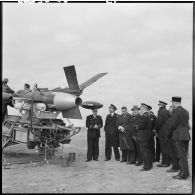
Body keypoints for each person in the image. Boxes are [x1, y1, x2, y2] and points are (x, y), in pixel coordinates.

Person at [168, 97, 190, 180]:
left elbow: (173, 124)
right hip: (186, 135)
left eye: (172, 102)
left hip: (179, 135)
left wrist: (168, 134)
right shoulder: (186, 111)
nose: (172, 104)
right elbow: (187, 123)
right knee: (184, 155)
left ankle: (183, 174)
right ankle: (185, 173)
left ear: (175, 102)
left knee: (181, 156)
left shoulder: (175, 111)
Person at [137, 103, 153, 171]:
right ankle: (150, 165)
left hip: (143, 136)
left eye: (140, 108)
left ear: (143, 109)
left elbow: (142, 126)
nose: (140, 110)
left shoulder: (144, 116)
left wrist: (137, 126)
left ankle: (147, 166)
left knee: (144, 151)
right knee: (147, 151)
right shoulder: (148, 115)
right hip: (147, 136)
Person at [155, 100, 171, 167]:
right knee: (166, 147)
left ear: (163, 105)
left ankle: (165, 163)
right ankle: (167, 162)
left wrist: (155, 129)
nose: (159, 106)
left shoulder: (161, 111)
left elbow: (159, 122)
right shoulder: (167, 111)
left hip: (162, 131)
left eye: (159, 104)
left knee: (164, 148)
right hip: (166, 131)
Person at [165, 105, 180, 173]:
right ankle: (176, 166)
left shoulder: (173, 118)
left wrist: (167, 135)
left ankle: (175, 167)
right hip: (172, 137)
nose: (169, 110)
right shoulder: (172, 117)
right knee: (174, 152)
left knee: (173, 153)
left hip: (172, 137)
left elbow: (171, 128)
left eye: (170, 109)